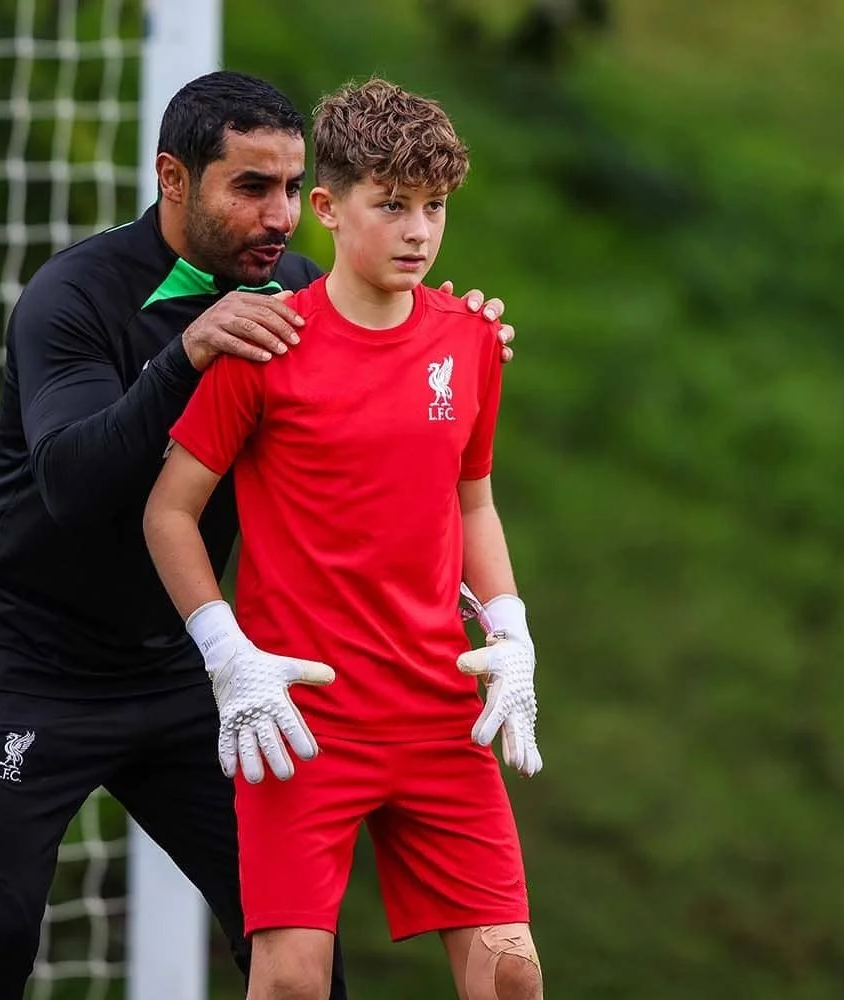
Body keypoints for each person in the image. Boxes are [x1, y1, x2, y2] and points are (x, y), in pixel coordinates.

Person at [0, 70, 517, 1000]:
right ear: (174, 178)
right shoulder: (74, 296)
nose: (279, 216)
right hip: (32, 662)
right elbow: (75, 486)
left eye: (290, 187)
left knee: (292, 951)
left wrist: (456, 338)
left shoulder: (295, 291)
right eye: (250, 187)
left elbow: (382, 385)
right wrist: (188, 354)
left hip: (197, 662)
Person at [143, 78, 545, 1000]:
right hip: (304, 717)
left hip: (439, 710)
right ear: (326, 208)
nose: (418, 231)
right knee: (292, 982)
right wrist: (229, 656)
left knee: (513, 976)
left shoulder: (471, 341)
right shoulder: (267, 345)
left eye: (435, 207)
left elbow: (473, 503)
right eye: (392, 204)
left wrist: (512, 632)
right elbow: (168, 512)